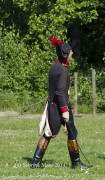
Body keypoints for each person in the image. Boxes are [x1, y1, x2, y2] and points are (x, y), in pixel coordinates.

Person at [31, 37, 91, 169]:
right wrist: (65, 111)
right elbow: (60, 92)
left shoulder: (54, 66)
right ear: (66, 54)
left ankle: (36, 161)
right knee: (63, 133)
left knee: (53, 132)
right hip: (60, 106)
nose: (72, 54)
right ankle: (75, 163)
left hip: (53, 104)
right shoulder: (63, 70)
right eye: (70, 52)